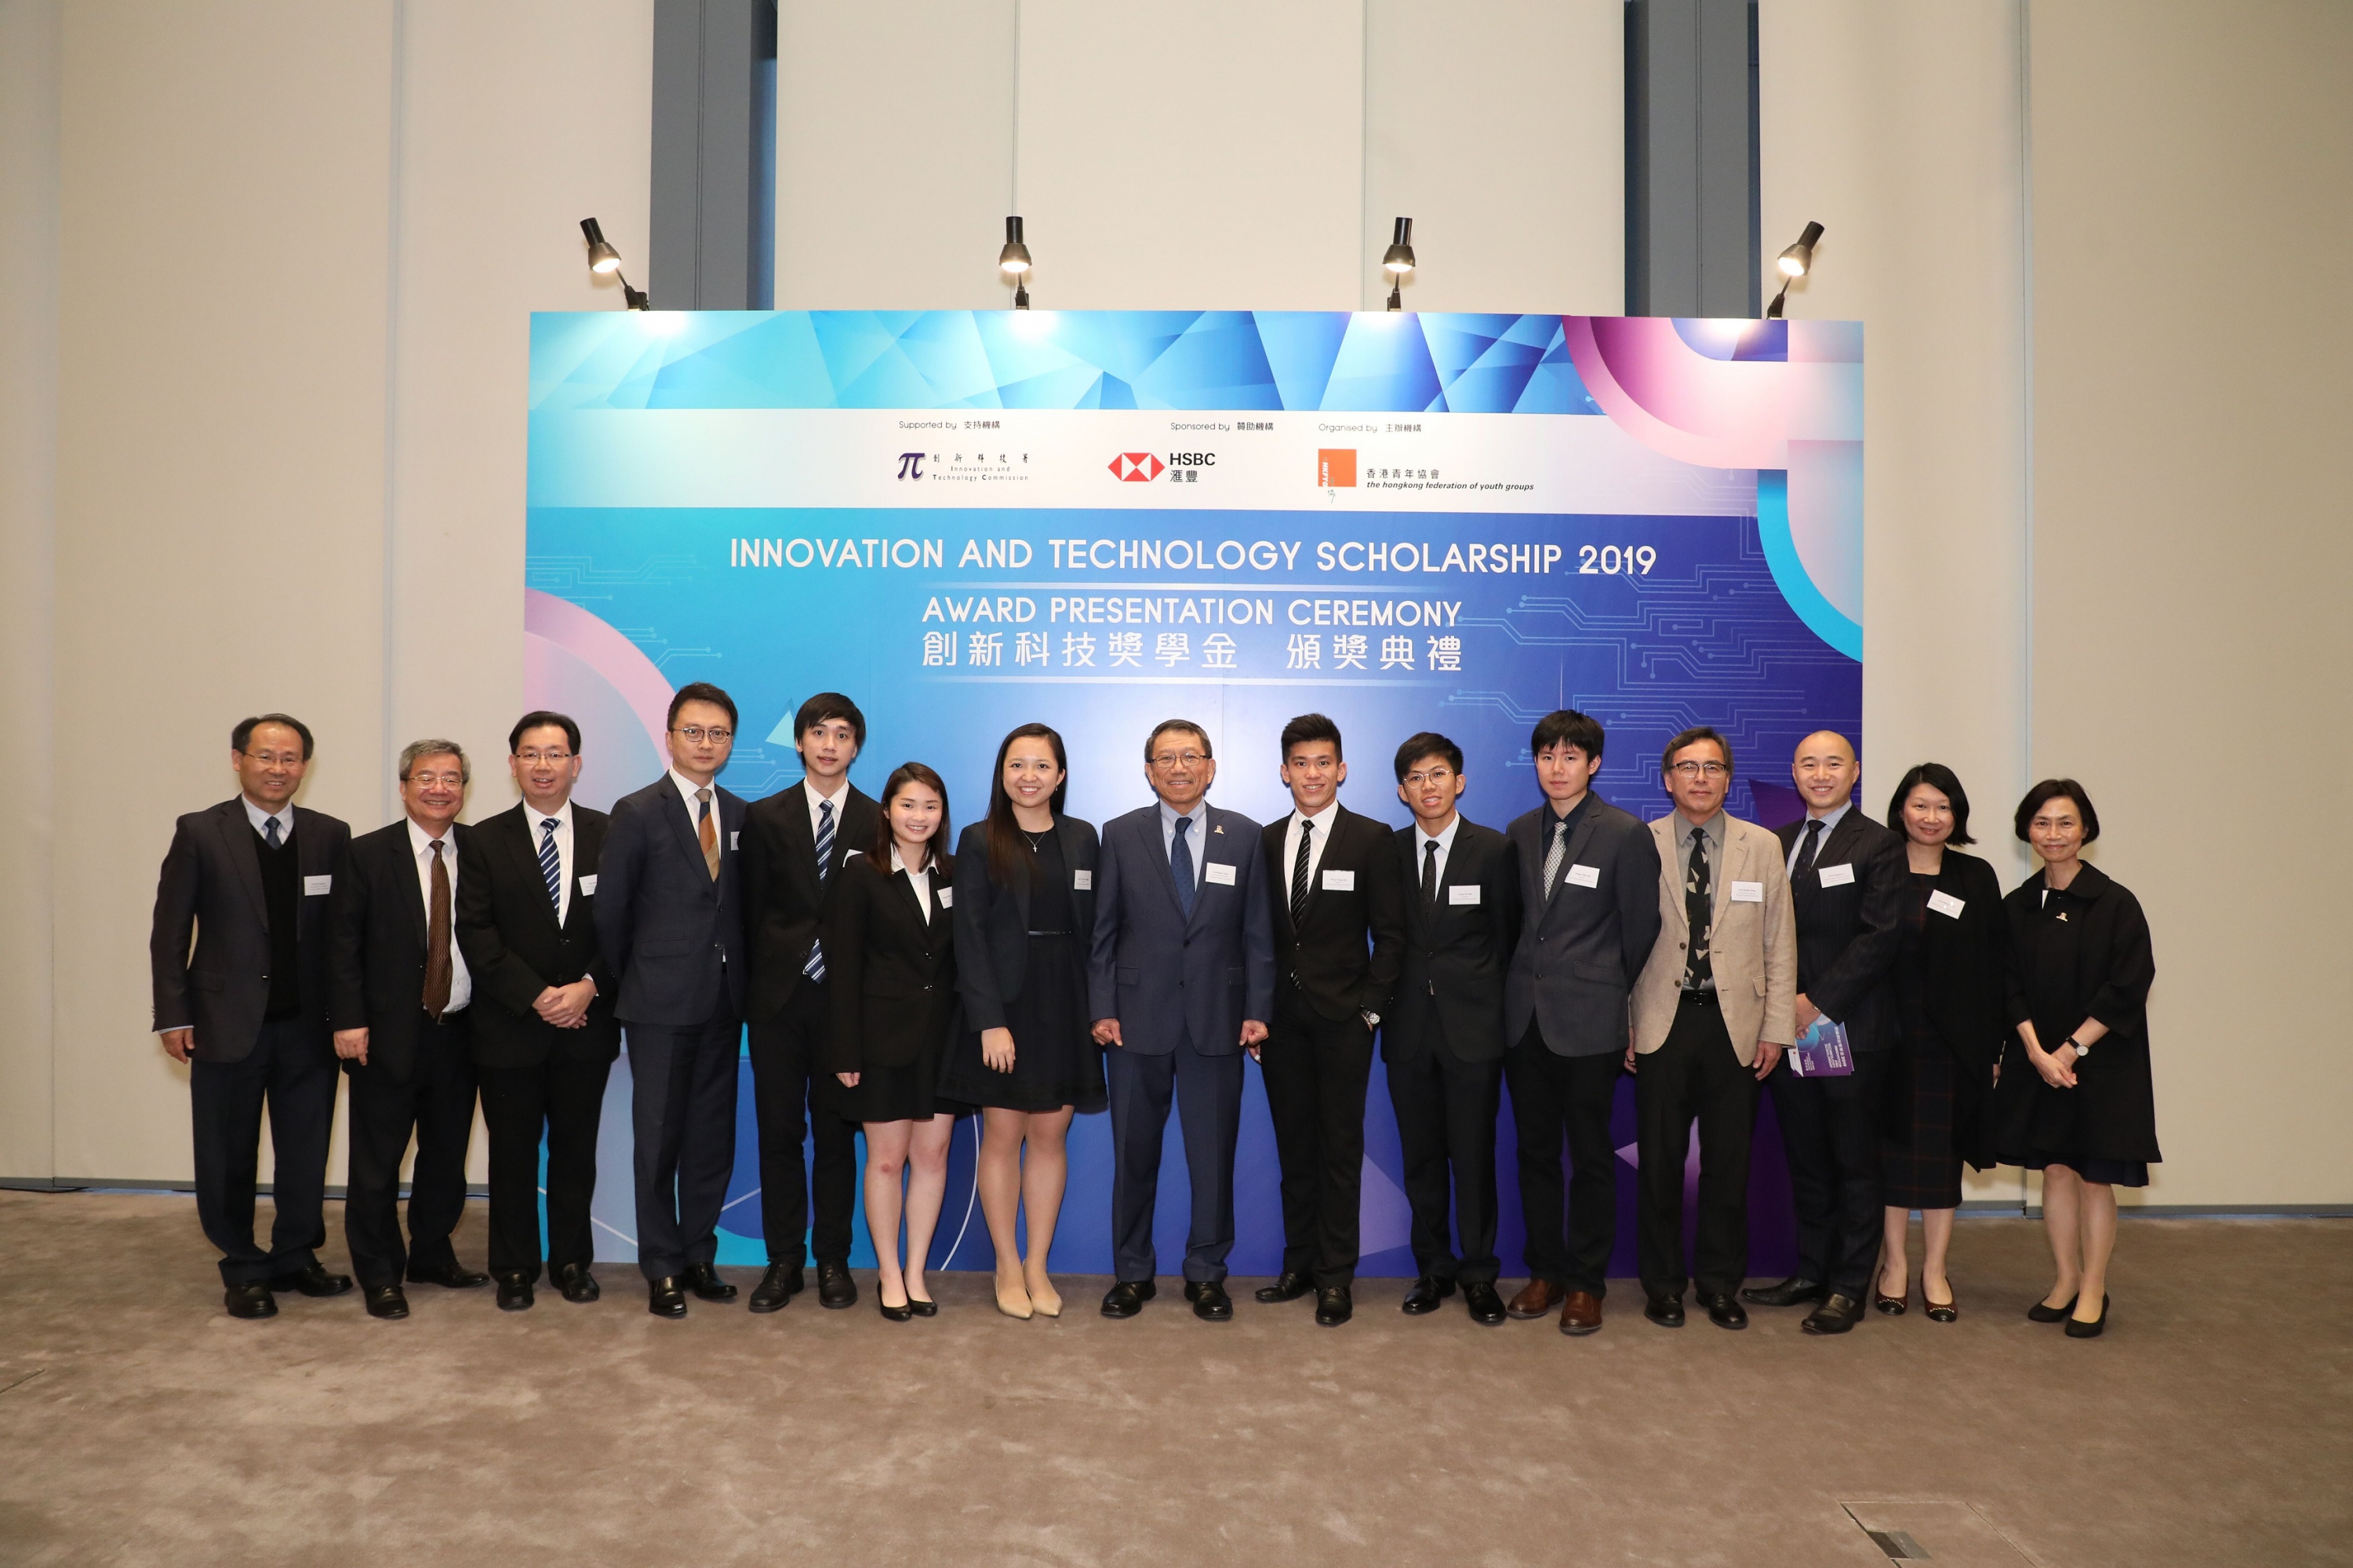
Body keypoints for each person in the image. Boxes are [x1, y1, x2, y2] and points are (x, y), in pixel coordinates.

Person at [149, 714, 354, 1319]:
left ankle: (295, 1254)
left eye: (290, 758)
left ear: (305, 767)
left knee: (305, 1151)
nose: (278, 769)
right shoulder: (200, 831)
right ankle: (241, 1264)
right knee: (226, 1153)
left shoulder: (330, 834)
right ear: (237, 759)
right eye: (266, 756)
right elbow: (169, 931)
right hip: (224, 1022)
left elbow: (343, 937)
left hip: (307, 1028)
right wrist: (172, 1014)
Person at [1089, 720, 1275, 1322]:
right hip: (1134, 1023)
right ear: (1148, 769)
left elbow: (1259, 935)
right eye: (1165, 757)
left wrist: (1258, 1010)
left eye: (1190, 756)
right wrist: (1102, 1007)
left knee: (1213, 1156)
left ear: (1211, 766)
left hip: (1218, 1020)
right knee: (1132, 1153)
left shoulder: (1245, 836)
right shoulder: (1119, 834)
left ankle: (1206, 1274)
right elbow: (1104, 935)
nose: (1178, 767)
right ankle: (1132, 1272)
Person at [1627, 727, 1795, 1332]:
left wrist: (1776, 1027)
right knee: (1662, 1165)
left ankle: (1721, 1284)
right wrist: (1624, 1022)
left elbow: (1780, 941)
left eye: (1713, 767)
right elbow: (1619, 941)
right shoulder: (1637, 843)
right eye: (1688, 767)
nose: (1700, 777)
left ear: (1728, 777)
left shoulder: (1763, 846)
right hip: (1660, 1023)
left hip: (1737, 1028)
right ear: (1667, 777)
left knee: (1729, 1165)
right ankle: (1664, 1285)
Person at [1500, 710, 1661, 1337]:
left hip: (1590, 1023)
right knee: (1535, 1152)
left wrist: (1604, 992)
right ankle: (1545, 1271)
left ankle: (1587, 1283)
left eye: (1571, 756)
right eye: (1547, 755)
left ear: (1593, 764)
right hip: (1524, 1022)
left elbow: (1641, 927)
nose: (1557, 767)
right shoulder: (1517, 832)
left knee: (1590, 1156)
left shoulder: (1623, 833)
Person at [454, 711, 620, 1312]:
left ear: (577, 763)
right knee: (513, 1154)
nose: (543, 765)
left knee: (577, 1153)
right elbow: (475, 930)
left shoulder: (610, 833)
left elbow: (625, 925)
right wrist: (538, 996)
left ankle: (572, 1261)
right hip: (510, 1026)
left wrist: (587, 987)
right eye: (531, 753)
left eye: (555, 753)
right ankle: (515, 1266)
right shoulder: (481, 839)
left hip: (587, 1023)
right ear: (513, 764)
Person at [1744, 731, 1907, 1335]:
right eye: (1809, 763)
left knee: (1855, 1163)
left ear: (1855, 771)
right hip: (1788, 1032)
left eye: (1832, 763)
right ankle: (1811, 1272)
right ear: (1793, 772)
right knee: (1807, 1158)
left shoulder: (1880, 844)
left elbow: (1880, 937)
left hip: (1848, 1029)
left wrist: (1814, 1001)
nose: (1820, 773)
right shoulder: (1776, 842)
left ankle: (1847, 1286)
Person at [596, 682, 751, 1319]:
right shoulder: (636, 810)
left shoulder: (741, 814)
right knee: (657, 1138)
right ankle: (660, 1263)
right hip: (658, 1004)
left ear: (730, 742)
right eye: (694, 731)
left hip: (724, 1001)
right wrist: (630, 982)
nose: (706, 743)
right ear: (670, 736)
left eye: (717, 733)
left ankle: (698, 1254)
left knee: (712, 1136)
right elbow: (611, 915)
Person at [940, 724, 1104, 1320]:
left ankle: (1038, 1262)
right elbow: (970, 937)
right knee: (1004, 1137)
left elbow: (1101, 930)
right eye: (1017, 765)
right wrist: (989, 1020)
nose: (1029, 776)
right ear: (1002, 773)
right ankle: (1006, 1264)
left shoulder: (1084, 837)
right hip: (1004, 1007)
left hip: (1067, 1000)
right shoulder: (980, 839)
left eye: (1041, 765)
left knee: (1050, 1136)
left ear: (1060, 776)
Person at [328, 740, 490, 1319]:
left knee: (446, 1155)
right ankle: (378, 1270)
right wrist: (347, 1020)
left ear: (464, 788)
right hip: (386, 1034)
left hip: (463, 1030)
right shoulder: (367, 853)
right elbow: (341, 944)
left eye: (451, 777)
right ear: (404, 787)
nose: (440, 788)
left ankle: (431, 1251)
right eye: (426, 777)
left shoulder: (483, 849)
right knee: (377, 1162)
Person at [1253, 714, 1405, 1327]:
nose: (1311, 774)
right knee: (1295, 1148)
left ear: (1341, 769)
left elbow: (1391, 937)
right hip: (1279, 1023)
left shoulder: (1373, 839)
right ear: (1284, 771)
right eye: (1300, 763)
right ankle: (1300, 1264)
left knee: (1341, 1148)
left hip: (1344, 1020)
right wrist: (1255, 1015)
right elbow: (1256, 938)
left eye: (1323, 762)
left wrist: (1369, 1010)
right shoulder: (1263, 840)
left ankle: (1336, 1277)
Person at [1995, 779, 2158, 1339]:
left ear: (2085, 828)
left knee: (2094, 1176)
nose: (2054, 834)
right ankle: (2064, 1279)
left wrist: (2069, 1048)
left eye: (2066, 822)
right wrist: (2037, 1051)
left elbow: (2128, 984)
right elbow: (2007, 983)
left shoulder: (2115, 902)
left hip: (2102, 1065)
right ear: (2027, 830)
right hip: (2039, 1062)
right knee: (2056, 1170)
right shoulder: (2017, 905)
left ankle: (2093, 1286)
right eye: (2042, 822)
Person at [740, 693, 878, 1312]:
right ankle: (784, 1260)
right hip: (778, 1000)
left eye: (842, 734)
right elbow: (746, 914)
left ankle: (832, 1260)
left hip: (847, 1004)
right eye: (817, 732)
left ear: (856, 747)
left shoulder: (880, 820)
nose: (829, 744)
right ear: (799, 742)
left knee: (836, 1134)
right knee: (778, 1132)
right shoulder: (765, 816)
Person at [1384, 732, 1521, 1326]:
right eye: (1416, 777)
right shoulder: (1385, 853)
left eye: (1438, 774)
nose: (1428, 786)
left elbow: (1509, 939)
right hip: (1409, 1030)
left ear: (1459, 781)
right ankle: (1433, 1269)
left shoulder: (1493, 849)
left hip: (1474, 1032)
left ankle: (1479, 1273)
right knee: (1420, 1159)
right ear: (1402, 790)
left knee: (1473, 1156)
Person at [824, 762, 964, 1320]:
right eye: (908, 804)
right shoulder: (861, 873)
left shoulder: (954, 873)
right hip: (879, 1043)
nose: (919, 816)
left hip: (943, 1042)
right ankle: (887, 1273)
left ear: (942, 813)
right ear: (887, 811)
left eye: (930, 805)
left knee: (932, 1158)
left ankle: (915, 1272)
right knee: (886, 1161)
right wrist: (845, 1052)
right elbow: (843, 967)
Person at [1873, 762, 2006, 1324]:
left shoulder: (1976, 877)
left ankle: (1935, 1268)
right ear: (1901, 808)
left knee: (1941, 1156)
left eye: (1943, 807)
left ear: (1958, 815)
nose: (1931, 817)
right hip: (1885, 1036)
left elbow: (1996, 967)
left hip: (1953, 1042)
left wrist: (1995, 1048)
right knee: (1890, 1152)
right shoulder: (1877, 868)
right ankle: (1894, 1265)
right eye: (1921, 804)